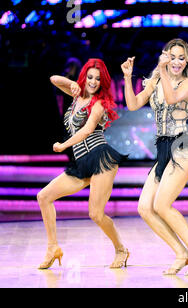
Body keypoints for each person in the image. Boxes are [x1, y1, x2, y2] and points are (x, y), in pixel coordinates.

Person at [121, 38, 188, 276]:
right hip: (163, 148)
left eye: (181, 57)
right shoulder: (157, 79)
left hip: (184, 145)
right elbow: (133, 104)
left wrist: (161, 70)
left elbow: (171, 99)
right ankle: (181, 252)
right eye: (172, 56)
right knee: (145, 208)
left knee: (162, 204)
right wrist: (128, 77)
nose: (177, 62)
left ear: (187, 60)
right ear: (164, 56)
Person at [37, 58, 129, 269]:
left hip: (100, 158)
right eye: (90, 77)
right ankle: (53, 248)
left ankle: (121, 249)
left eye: (97, 79)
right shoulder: (77, 95)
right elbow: (53, 79)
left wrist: (63, 145)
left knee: (95, 213)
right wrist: (72, 84)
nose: (93, 82)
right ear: (84, 77)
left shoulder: (98, 104)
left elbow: (87, 130)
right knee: (44, 196)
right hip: (82, 163)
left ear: (102, 81)